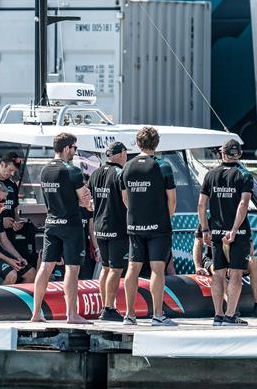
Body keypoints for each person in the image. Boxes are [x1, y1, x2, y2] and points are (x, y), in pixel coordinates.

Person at [30, 133, 93, 324]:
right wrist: (88, 204)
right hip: (71, 225)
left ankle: (35, 313)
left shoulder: (44, 170)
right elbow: (85, 199)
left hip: (52, 223)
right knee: (72, 270)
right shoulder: (72, 171)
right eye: (74, 148)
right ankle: (71, 314)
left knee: (45, 267)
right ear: (67, 148)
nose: (75, 152)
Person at [121, 126, 178, 327]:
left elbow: (125, 198)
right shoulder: (163, 166)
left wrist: (138, 214)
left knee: (132, 268)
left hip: (136, 225)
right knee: (157, 270)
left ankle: (129, 315)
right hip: (158, 226)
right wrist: (165, 217)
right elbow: (172, 200)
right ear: (157, 143)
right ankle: (157, 315)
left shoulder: (127, 166)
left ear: (137, 144)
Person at [198, 139, 255, 326]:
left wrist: (205, 229)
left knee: (218, 274)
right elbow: (244, 204)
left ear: (222, 153)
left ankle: (218, 315)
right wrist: (234, 230)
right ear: (238, 154)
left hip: (215, 231)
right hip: (237, 233)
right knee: (236, 274)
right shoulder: (244, 175)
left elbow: (201, 205)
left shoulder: (210, 175)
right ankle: (230, 316)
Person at [192, 227, 257, 318]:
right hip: (213, 258)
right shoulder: (209, 219)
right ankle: (231, 308)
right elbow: (197, 244)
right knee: (219, 269)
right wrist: (198, 266)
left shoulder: (240, 220)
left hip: (235, 257)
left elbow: (250, 250)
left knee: (254, 261)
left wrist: (236, 264)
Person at [89, 141, 129, 322]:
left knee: (105, 268)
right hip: (116, 225)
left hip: (99, 226)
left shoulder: (96, 173)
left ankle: (104, 307)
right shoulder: (120, 173)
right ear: (122, 154)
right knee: (116, 268)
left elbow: (87, 200)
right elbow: (126, 200)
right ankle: (109, 307)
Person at [0, 181, 36, 284]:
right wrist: (8, 260)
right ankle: (2, 300)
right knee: (12, 275)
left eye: (5, 201)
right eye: (1, 200)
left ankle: (19, 300)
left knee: (32, 273)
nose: (3, 204)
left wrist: (18, 257)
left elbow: (3, 239)